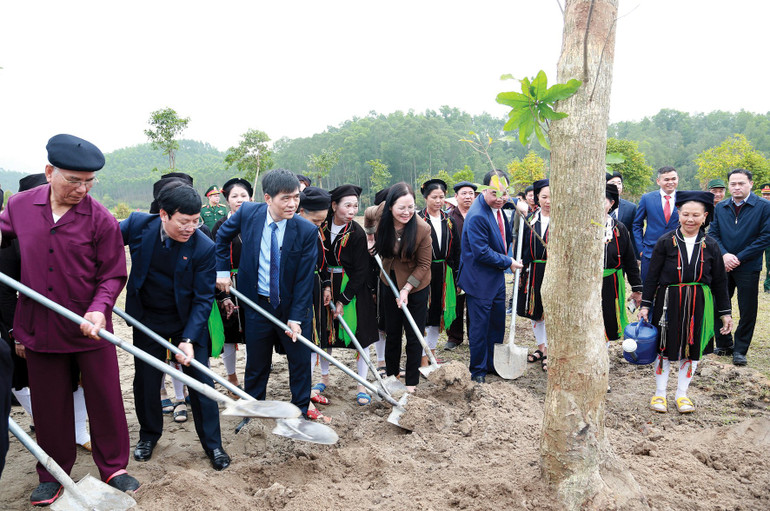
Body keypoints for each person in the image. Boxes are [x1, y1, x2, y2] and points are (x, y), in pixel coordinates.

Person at [0, 134, 139, 505]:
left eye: (89, 181)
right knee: (48, 406)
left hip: (88, 328)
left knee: (106, 399)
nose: (81, 188)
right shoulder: (19, 206)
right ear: (49, 172)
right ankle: (53, 472)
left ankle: (114, 467)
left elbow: (112, 274)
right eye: (73, 180)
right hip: (39, 327)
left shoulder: (102, 219)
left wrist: (100, 307)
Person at [121, 184, 230, 470]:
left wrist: (189, 339)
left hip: (187, 320)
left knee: (202, 382)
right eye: (184, 221)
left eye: (196, 221)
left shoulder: (204, 247)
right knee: (146, 379)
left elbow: (203, 298)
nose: (191, 228)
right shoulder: (136, 225)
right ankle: (148, 436)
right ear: (163, 214)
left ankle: (213, 445)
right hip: (147, 318)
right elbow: (100, 241)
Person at [0, 173, 92, 451]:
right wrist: (17, 335)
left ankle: (77, 430)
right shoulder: (11, 239)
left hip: (68, 320)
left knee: (77, 377)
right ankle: (43, 423)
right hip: (27, 325)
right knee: (24, 378)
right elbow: (5, 294)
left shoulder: (70, 225)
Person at [215, 169, 317, 418]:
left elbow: (305, 280)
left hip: (292, 307)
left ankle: (301, 412)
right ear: (268, 198)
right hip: (257, 304)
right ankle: (254, 415)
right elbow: (221, 237)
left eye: (295, 197)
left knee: (300, 362)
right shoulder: (249, 213)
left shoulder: (306, 231)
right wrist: (222, 271)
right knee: (257, 364)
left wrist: (295, 317)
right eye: (285, 198)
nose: (292, 204)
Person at [639, 191, 732, 413]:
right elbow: (651, 277)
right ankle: (659, 394)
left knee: (692, 348)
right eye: (686, 214)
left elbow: (720, 281)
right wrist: (645, 305)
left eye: (696, 215)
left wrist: (725, 313)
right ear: (678, 214)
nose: (690, 219)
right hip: (667, 302)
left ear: (705, 216)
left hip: (699, 303)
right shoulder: (665, 242)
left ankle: (682, 394)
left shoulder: (711, 245)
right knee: (663, 348)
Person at [457, 170, 524, 383]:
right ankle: (477, 370)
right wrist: (509, 262)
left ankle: (492, 363)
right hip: (479, 280)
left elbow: (506, 200)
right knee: (479, 326)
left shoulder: (497, 207)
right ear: (483, 190)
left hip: (495, 280)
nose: (500, 199)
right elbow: (481, 252)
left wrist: (516, 203)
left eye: (504, 194)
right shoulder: (478, 215)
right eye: (494, 193)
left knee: (496, 323)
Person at [317, 185, 379, 405]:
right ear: (334, 206)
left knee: (360, 338)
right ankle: (324, 378)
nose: (352, 210)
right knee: (325, 335)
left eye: (355, 206)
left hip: (353, 287)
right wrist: (325, 286)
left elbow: (362, 270)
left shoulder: (357, 232)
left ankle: (361, 385)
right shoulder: (321, 227)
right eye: (347, 206)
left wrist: (344, 299)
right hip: (326, 285)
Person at [373, 182, 432, 392]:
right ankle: (392, 375)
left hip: (415, 286)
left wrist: (407, 289)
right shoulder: (381, 214)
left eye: (411, 207)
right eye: (401, 208)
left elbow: (425, 264)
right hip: (389, 280)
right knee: (393, 331)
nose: (407, 212)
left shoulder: (422, 229)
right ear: (390, 207)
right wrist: (372, 236)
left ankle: (411, 382)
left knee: (414, 334)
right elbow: (370, 216)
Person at [708, 169, 770, 365]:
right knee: (719, 304)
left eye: (741, 183)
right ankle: (725, 344)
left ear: (750, 184)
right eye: (733, 184)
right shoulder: (721, 207)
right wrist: (725, 255)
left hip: (749, 266)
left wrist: (739, 258)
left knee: (747, 309)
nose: (736, 187)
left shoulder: (763, 206)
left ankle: (740, 350)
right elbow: (714, 234)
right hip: (723, 265)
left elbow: (765, 237)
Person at [212, 178, 253, 392]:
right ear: (227, 200)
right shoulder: (220, 226)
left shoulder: (257, 223)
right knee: (230, 334)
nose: (239, 200)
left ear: (251, 198)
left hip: (252, 285)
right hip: (227, 286)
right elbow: (214, 260)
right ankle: (232, 377)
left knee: (253, 331)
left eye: (244, 196)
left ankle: (252, 377)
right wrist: (223, 294)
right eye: (234, 196)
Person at [298, 186, 333, 422]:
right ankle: (301, 398)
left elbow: (323, 261)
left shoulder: (316, 231)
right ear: (300, 212)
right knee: (303, 344)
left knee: (314, 341)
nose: (319, 225)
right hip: (298, 292)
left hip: (315, 288)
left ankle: (307, 391)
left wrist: (327, 285)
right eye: (315, 220)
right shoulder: (293, 232)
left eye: (323, 221)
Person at [417, 179, 460, 365]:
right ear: (426, 198)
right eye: (434, 197)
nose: (438, 201)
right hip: (423, 270)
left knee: (437, 312)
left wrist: (456, 274)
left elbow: (456, 249)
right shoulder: (417, 219)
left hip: (444, 272)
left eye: (441, 197)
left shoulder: (448, 220)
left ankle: (431, 352)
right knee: (423, 312)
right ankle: (421, 355)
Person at [517, 179, 550, 372]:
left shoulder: (563, 222)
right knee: (536, 313)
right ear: (537, 197)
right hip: (533, 273)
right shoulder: (529, 221)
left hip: (553, 272)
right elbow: (521, 247)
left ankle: (550, 352)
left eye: (551, 197)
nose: (548, 201)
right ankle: (541, 348)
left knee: (551, 313)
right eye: (544, 197)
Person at [602, 184, 642, 343]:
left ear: (611, 204)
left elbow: (630, 260)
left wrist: (637, 288)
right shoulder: (581, 227)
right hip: (586, 283)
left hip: (611, 282)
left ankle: (602, 355)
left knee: (609, 318)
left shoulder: (619, 228)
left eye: (602, 201)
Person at [445, 181, 477, 351]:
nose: (468, 197)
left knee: (474, 303)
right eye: (463, 193)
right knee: (455, 302)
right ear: (456, 196)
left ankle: (474, 336)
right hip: (455, 266)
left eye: (471, 193)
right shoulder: (449, 218)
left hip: (475, 268)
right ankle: (454, 337)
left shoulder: (479, 215)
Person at [633, 166, 680, 281]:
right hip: (650, 252)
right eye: (666, 179)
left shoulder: (684, 198)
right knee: (649, 289)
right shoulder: (647, 198)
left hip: (677, 252)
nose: (670, 182)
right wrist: (640, 249)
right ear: (658, 181)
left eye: (673, 179)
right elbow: (637, 225)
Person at [606, 171, 639, 257]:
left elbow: (633, 233)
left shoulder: (630, 207)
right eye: (613, 183)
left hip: (621, 253)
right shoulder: (596, 205)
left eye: (619, 183)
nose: (617, 186)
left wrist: (636, 256)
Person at [761, 183, 770, 294]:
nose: (766, 196)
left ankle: (768, 285)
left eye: (768, 194)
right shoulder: (760, 206)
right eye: (764, 194)